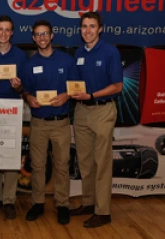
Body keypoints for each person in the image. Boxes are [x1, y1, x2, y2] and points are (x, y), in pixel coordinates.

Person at [21, 20, 77, 225]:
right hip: (38, 123)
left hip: (61, 122)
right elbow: (25, 89)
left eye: (45, 34)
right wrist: (28, 97)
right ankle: (38, 203)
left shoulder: (67, 61)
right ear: (33, 38)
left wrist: (66, 96)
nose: (42, 37)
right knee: (37, 165)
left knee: (62, 165)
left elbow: (76, 87)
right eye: (37, 34)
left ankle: (62, 204)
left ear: (52, 36)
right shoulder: (29, 64)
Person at [70, 12, 123, 228]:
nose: (88, 30)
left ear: (100, 29)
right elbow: (75, 83)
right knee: (85, 162)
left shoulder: (110, 51)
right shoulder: (79, 53)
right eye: (84, 26)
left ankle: (103, 212)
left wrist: (91, 95)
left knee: (101, 163)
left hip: (102, 111)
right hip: (81, 111)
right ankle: (89, 202)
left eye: (92, 26)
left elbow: (117, 86)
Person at [0, 15, 27, 219]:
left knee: (9, 156)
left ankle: (9, 200)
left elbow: (24, 89)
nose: (3, 33)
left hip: (12, 109)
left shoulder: (20, 55)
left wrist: (19, 87)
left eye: (7, 30)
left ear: (12, 32)